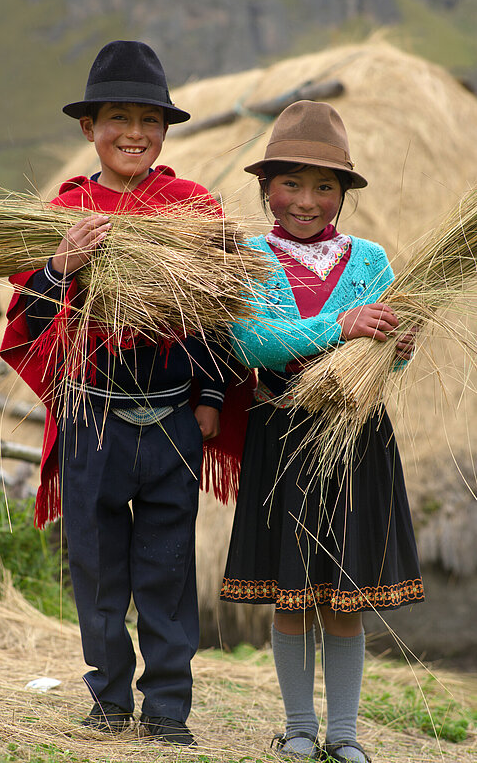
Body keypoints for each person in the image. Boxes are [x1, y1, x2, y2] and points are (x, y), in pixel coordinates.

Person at [1, 40, 233, 746]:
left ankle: (167, 708)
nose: (133, 133)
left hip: (171, 420)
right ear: (88, 127)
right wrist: (59, 265)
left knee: (165, 568)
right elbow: (28, 320)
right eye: (117, 118)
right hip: (91, 418)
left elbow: (225, 310)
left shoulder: (195, 210)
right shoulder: (64, 213)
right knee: (97, 567)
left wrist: (213, 396)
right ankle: (107, 698)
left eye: (148, 120)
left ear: (166, 131)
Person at [220, 101, 423, 763]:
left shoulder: (371, 261)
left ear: (342, 194)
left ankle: (344, 734)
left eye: (324, 187)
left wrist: (401, 343)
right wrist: (342, 326)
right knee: (291, 595)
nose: (306, 201)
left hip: (355, 439)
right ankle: (300, 727)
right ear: (266, 186)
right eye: (291, 184)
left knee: (344, 598)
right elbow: (253, 340)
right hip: (281, 435)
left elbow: (386, 348)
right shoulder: (248, 258)